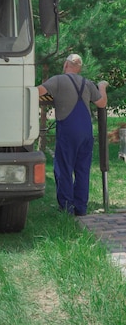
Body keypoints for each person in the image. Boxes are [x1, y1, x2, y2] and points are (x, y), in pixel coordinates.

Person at [37, 54, 108, 216]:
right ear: (80, 68)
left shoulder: (58, 80)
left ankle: (67, 208)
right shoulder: (87, 83)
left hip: (68, 131)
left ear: (65, 65)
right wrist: (102, 86)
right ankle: (81, 209)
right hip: (86, 132)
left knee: (63, 168)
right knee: (82, 170)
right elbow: (102, 103)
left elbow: (37, 92)